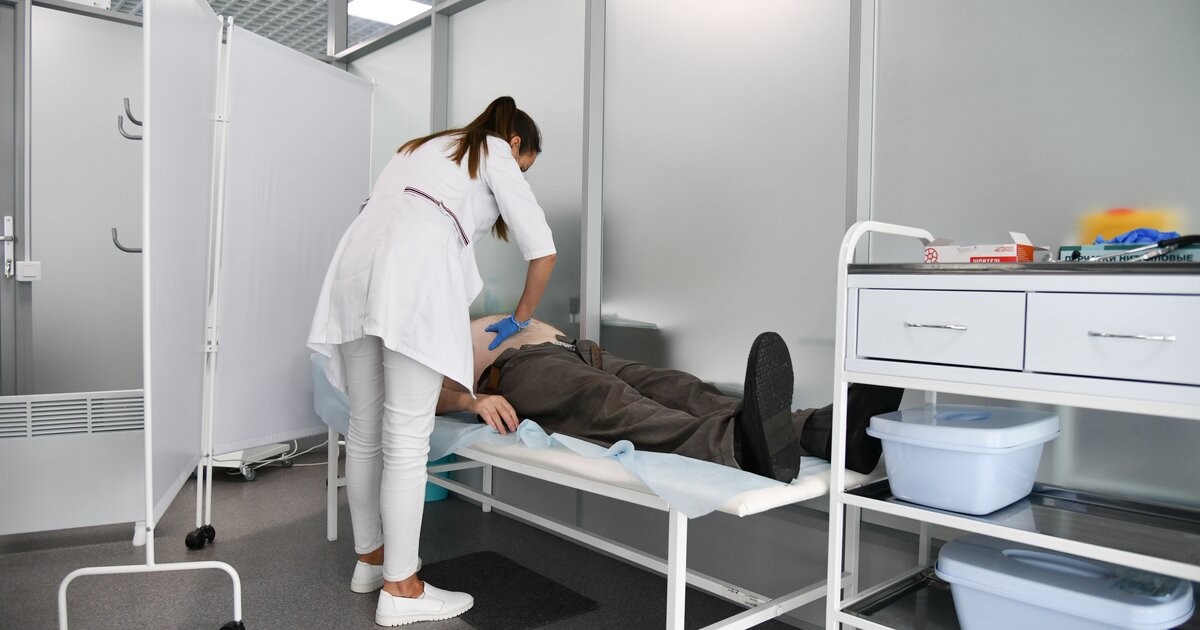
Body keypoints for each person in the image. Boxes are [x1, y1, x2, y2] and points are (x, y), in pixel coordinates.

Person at [308, 98, 557, 627]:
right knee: (406, 439)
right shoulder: (494, 150)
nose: (519, 174)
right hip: (411, 272)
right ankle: (402, 588)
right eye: (525, 166)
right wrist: (519, 319)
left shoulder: (418, 147)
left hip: (356, 266)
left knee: (365, 429)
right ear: (515, 143)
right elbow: (543, 251)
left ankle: (372, 562)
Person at [436, 316, 905, 480]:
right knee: (611, 402)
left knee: (680, 387)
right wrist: (471, 403)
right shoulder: (431, 328)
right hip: (518, 369)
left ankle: (824, 431)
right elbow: (418, 395)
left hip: (582, 350)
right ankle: (737, 445)